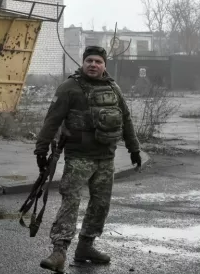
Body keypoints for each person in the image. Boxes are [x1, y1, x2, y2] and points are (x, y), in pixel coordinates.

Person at [34, 46, 141, 273]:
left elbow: (126, 119)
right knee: (70, 202)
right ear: (83, 63)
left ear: (104, 65)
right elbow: (52, 120)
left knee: (100, 205)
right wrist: (41, 149)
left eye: (98, 61)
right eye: (89, 61)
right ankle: (59, 251)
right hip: (79, 157)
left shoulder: (113, 88)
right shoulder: (69, 88)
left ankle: (86, 246)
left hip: (105, 157)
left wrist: (134, 148)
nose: (93, 65)